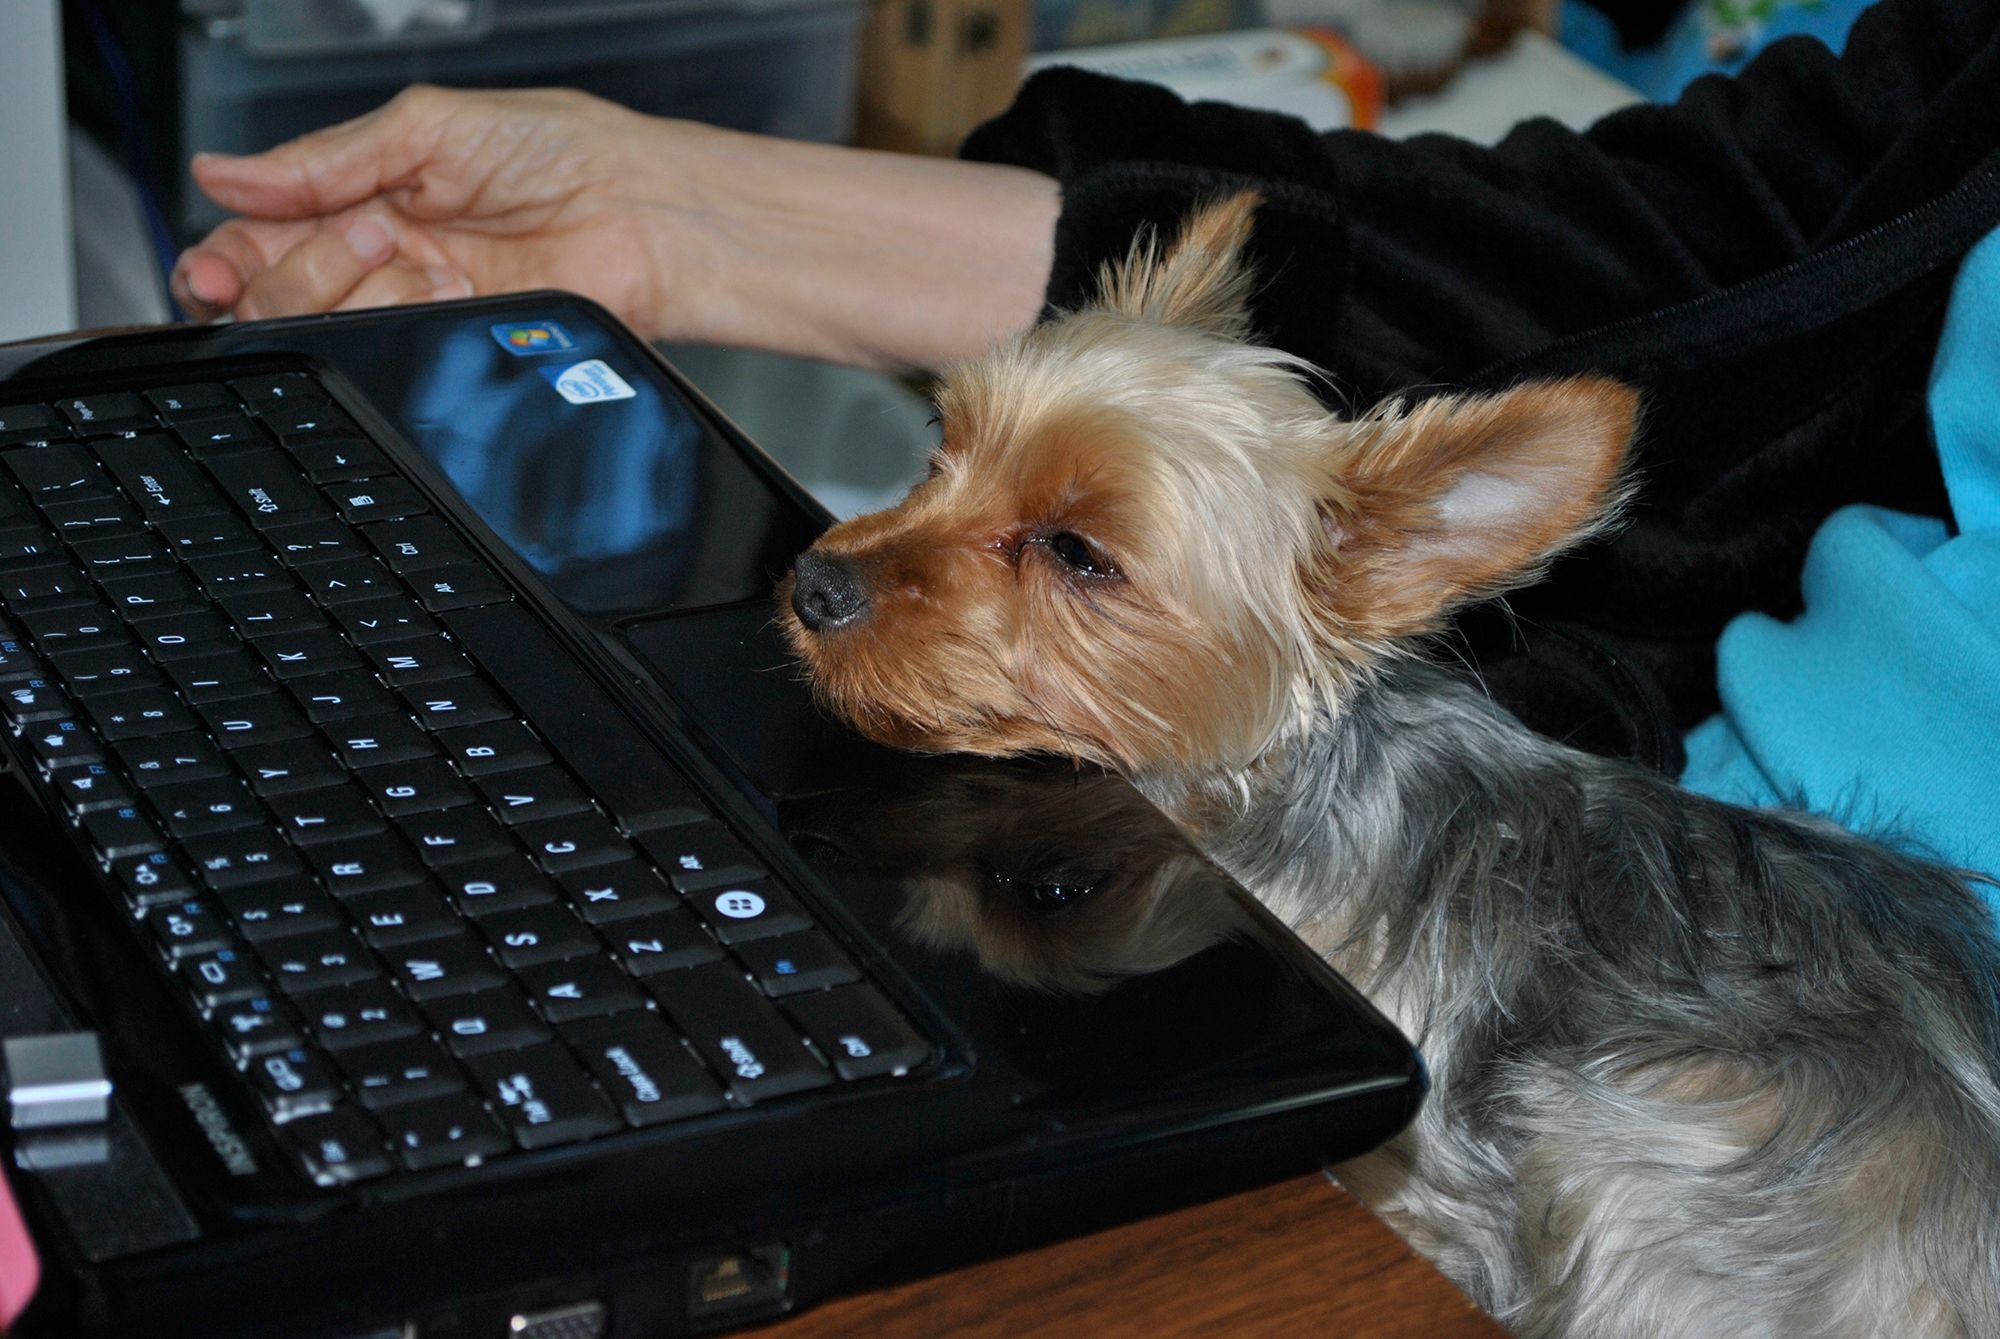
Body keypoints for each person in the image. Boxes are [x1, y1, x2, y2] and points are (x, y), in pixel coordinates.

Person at [174, 0, 2000, 876]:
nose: (850, 560)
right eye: (953, 464)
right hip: (1661, 806)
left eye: (1061, 548)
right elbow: (1731, 229)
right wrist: (685, 219)